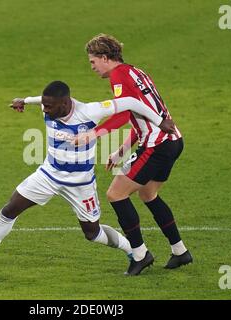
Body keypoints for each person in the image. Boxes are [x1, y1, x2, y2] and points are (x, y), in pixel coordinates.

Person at [0, 80, 174, 274]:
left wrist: (160, 120)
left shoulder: (90, 111)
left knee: (92, 233)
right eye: (44, 105)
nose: (45, 110)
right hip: (49, 174)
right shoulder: (49, 105)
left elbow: (131, 103)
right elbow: (42, 99)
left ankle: (136, 253)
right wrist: (24, 100)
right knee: (10, 209)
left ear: (65, 103)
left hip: (81, 184)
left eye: (49, 106)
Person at [74, 34, 193, 275]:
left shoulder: (118, 77)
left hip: (156, 146)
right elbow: (141, 113)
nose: (92, 67)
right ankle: (180, 252)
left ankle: (140, 254)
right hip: (173, 141)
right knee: (149, 194)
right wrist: (123, 149)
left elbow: (121, 114)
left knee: (116, 194)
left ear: (105, 58)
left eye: (93, 61)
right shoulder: (135, 72)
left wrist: (93, 134)